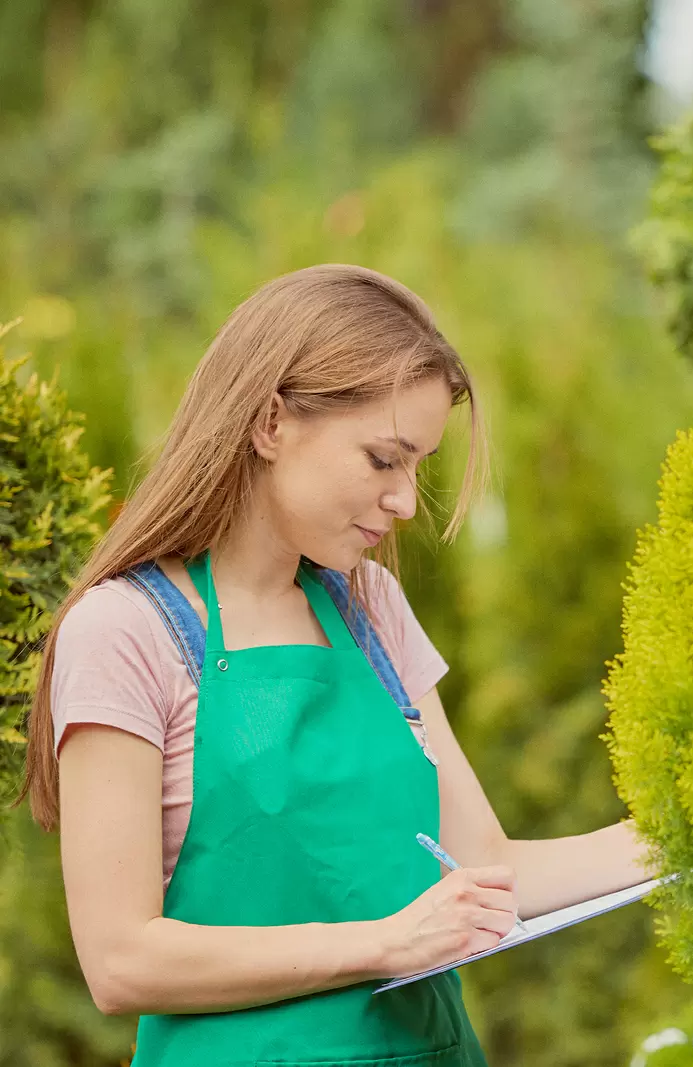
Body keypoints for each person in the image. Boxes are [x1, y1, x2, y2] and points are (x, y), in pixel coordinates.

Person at [24, 264, 652, 1066]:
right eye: (385, 458)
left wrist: (689, 838)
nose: (405, 500)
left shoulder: (371, 608)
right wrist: (383, 944)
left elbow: (488, 865)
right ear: (271, 422)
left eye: (417, 463)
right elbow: (121, 961)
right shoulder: (126, 631)